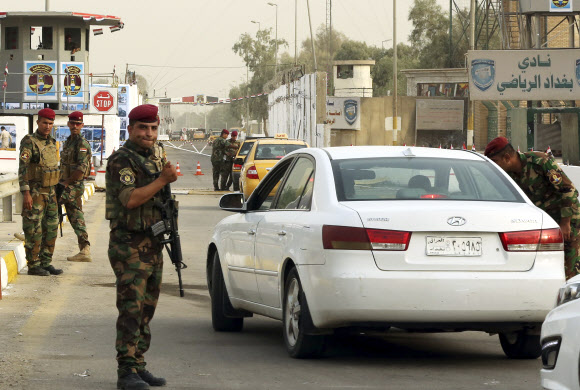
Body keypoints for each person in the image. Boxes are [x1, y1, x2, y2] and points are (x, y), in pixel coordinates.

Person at [105, 104, 177, 390]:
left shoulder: (156, 156)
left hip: (152, 243)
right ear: (131, 128)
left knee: (147, 308)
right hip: (129, 245)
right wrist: (163, 180)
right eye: (143, 128)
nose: (149, 134)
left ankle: (139, 364)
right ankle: (126, 372)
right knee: (131, 309)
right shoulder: (122, 161)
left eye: (154, 128)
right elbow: (131, 200)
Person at [485, 136, 580, 279]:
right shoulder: (507, 175)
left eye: (495, 162)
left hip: (566, 217)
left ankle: (573, 296)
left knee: (570, 266)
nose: (495, 167)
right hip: (543, 222)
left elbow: (569, 191)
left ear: (506, 158)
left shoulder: (540, 162)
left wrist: (565, 223)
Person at [18, 108, 63, 276]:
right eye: (45, 122)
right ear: (38, 122)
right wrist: (26, 193)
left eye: (51, 123)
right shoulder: (29, 141)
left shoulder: (52, 142)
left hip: (51, 192)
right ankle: (34, 264)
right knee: (33, 229)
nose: (48, 126)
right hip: (35, 193)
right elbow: (23, 169)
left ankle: (46, 261)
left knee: (51, 227)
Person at [59, 111, 92, 262]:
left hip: (74, 185)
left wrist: (66, 183)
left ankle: (31, 235)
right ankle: (85, 249)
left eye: (78, 124)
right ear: (68, 124)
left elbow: (81, 168)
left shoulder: (82, 144)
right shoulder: (68, 142)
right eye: (72, 123)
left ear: (82, 125)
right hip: (66, 183)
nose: (75, 126)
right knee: (75, 216)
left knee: (49, 202)